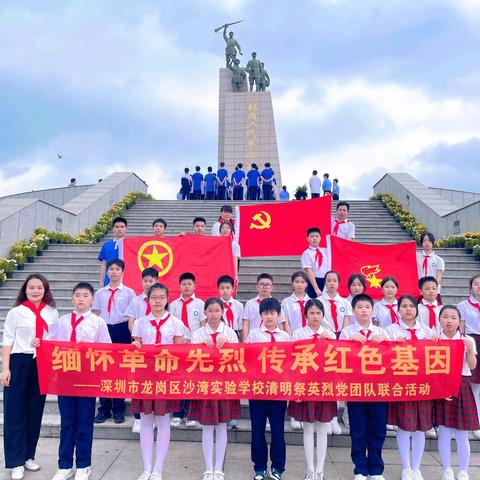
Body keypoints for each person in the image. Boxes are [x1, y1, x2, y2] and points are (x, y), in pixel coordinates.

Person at [49, 282, 111, 480]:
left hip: (87, 378)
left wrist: (90, 348)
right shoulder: (63, 321)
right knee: (67, 422)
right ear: (71, 298)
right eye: (77, 295)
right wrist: (38, 343)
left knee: (84, 421)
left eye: (85, 295)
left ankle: (84, 464)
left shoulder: (98, 322)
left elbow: (107, 350)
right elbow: (50, 344)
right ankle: (64, 465)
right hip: (66, 378)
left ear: (92, 299)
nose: (81, 299)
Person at [1, 274, 58, 480]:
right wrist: (5, 368)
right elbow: (7, 340)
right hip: (19, 362)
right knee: (15, 411)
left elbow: (55, 338)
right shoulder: (16, 312)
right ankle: (15, 461)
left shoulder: (52, 312)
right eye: (31, 287)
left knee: (35, 410)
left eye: (39, 287)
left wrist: (44, 345)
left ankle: (28, 456)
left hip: (41, 364)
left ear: (45, 290)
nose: (35, 291)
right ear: (25, 290)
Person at [131, 283, 185, 480]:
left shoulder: (176, 323)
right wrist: (135, 345)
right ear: (148, 299)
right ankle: (146, 468)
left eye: (162, 297)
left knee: (163, 422)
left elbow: (180, 353)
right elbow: (135, 346)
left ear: (167, 299)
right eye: (154, 297)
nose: (158, 301)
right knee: (145, 421)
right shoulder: (140, 323)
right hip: (144, 376)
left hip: (165, 377)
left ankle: (158, 469)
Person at [189, 298, 241, 480]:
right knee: (207, 428)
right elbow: (190, 360)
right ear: (205, 312)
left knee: (221, 427)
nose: (213, 314)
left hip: (224, 385)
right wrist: (201, 347)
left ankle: (219, 468)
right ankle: (208, 468)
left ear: (222, 312)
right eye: (210, 310)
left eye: (217, 310)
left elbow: (238, 358)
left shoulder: (230, 334)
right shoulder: (198, 334)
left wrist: (227, 347)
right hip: (204, 386)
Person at [384, 295, 435, 479]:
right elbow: (383, 356)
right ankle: (406, 467)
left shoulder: (428, 331)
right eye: (404, 306)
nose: (408, 309)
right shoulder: (391, 330)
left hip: (422, 386)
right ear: (398, 310)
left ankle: (417, 467)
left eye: (411, 306)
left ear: (417, 309)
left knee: (421, 427)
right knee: (404, 427)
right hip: (402, 385)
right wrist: (391, 345)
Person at [339, 294, 388, 480]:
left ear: (373, 310)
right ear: (353, 311)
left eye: (367, 307)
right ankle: (360, 468)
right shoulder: (346, 332)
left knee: (378, 430)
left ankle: (376, 469)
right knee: (358, 430)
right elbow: (338, 357)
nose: (364, 310)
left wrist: (386, 341)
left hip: (378, 390)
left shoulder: (382, 332)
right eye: (359, 307)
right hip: (355, 389)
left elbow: (393, 358)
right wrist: (348, 341)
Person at [288, 299, 337, 480]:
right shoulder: (299, 334)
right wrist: (296, 390)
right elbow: (292, 363)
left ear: (323, 315)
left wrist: (331, 341)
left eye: (318, 313)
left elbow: (338, 362)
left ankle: (320, 470)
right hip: (305, 387)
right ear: (306, 315)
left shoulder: (330, 334)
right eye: (311, 313)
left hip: (324, 387)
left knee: (322, 428)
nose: (315, 316)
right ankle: (309, 469)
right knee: (308, 429)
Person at [246, 298, 290, 480]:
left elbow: (290, 364)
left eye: (272, 313)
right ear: (261, 315)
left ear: (279, 315)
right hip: (257, 389)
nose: (269, 316)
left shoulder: (286, 338)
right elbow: (246, 358)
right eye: (265, 313)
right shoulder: (254, 335)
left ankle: (278, 467)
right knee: (257, 429)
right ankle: (260, 467)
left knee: (278, 430)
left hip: (278, 391)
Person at [434, 305, 479, 480]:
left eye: (453, 318)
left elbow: (473, 366)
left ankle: (463, 471)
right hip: (442, 385)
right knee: (444, 431)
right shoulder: (435, 339)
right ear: (439, 320)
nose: (449, 321)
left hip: (462, 383)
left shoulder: (467, 340)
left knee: (462, 433)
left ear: (459, 321)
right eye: (445, 317)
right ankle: (446, 469)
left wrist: (469, 351)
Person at [93, 259, 136, 424]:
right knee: (103, 369)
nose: (113, 272)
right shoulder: (100, 293)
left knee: (119, 371)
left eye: (117, 269)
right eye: (110, 269)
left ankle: (119, 408)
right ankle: (104, 408)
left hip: (122, 329)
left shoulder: (129, 293)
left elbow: (132, 316)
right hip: (104, 329)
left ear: (123, 272)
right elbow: (96, 313)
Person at [168, 272, 206, 427]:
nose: (186, 286)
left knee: (193, 380)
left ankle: (192, 414)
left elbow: (203, 325)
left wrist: (196, 341)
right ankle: (178, 414)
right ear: (179, 286)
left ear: (194, 286)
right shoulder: (174, 305)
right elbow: (170, 325)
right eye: (184, 284)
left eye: (189, 284)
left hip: (194, 347)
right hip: (178, 347)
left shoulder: (200, 304)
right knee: (178, 379)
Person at [125, 267, 160, 433]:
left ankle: (153, 416)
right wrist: (136, 337)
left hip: (157, 348)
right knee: (138, 381)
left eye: (151, 281)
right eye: (145, 281)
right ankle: (139, 418)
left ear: (157, 281)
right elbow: (131, 321)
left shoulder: (161, 299)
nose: (148, 284)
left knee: (155, 381)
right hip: (139, 346)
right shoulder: (136, 301)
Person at [319, 270, 352, 436]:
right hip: (324, 341)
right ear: (324, 282)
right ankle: (328, 416)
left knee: (339, 378)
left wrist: (342, 341)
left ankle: (336, 413)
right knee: (327, 377)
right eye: (328, 280)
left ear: (339, 283)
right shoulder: (317, 301)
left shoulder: (345, 302)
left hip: (340, 340)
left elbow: (346, 323)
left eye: (334, 280)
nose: (331, 283)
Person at [458, 274, 480, 440]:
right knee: (474, 384)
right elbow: (462, 327)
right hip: (474, 340)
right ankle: (476, 421)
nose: (478, 287)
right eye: (476, 284)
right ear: (470, 287)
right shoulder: (463, 305)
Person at [242, 273, 286, 341]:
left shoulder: (276, 304)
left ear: (272, 287)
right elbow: (246, 324)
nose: (264, 287)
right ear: (257, 286)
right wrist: (245, 341)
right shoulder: (250, 303)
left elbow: (280, 323)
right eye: (262, 284)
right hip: (255, 338)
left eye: (267, 284)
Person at [98, 217, 127, 287]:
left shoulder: (131, 245)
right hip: (109, 279)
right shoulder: (107, 245)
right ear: (113, 229)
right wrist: (101, 280)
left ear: (126, 229)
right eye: (116, 227)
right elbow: (104, 264)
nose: (119, 229)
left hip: (126, 279)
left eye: (122, 227)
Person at [301, 227, 329, 299]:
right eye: (312, 236)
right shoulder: (306, 253)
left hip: (326, 281)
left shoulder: (325, 251)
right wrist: (316, 289)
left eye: (317, 236)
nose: (315, 238)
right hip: (314, 281)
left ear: (320, 238)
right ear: (307, 238)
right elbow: (308, 271)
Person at [281, 271, 310, 338]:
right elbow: (286, 323)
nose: (299, 285)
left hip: (309, 337)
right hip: (294, 336)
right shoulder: (286, 302)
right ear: (292, 284)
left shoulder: (311, 302)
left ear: (306, 284)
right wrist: (290, 337)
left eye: (302, 282)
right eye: (297, 282)